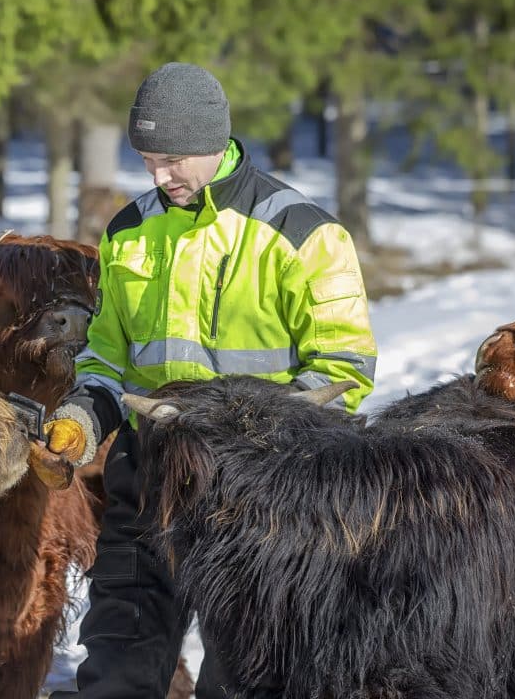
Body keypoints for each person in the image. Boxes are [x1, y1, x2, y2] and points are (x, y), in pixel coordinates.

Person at [46, 63, 378, 698]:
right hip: (149, 477)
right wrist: (84, 417)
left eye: (172, 159)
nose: (158, 176)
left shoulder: (303, 233)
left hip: (264, 498)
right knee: (115, 669)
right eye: (146, 159)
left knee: (243, 683)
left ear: (214, 142)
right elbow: (108, 359)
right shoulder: (128, 233)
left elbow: (346, 370)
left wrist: (254, 442)